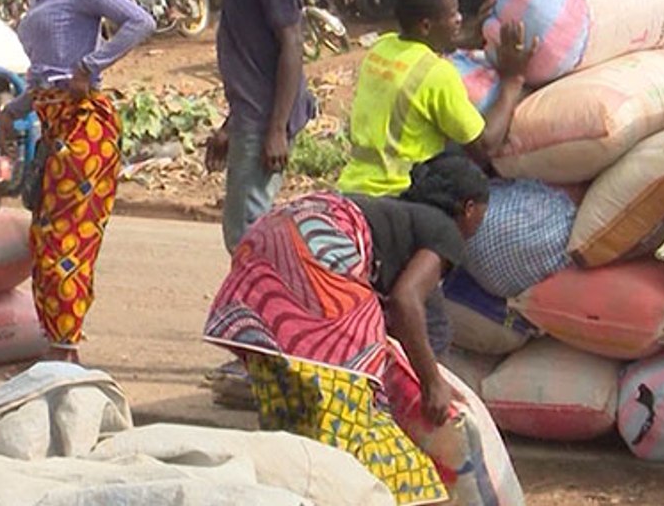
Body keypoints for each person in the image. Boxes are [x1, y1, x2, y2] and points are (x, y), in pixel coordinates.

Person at [204, 152, 489, 502]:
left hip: (269, 239)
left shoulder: (393, 214)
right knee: (355, 416)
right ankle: (406, 493)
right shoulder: (446, 230)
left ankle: (294, 489)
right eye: (482, 215)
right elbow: (406, 301)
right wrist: (432, 384)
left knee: (294, 413)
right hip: (319, 255)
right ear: (470, 208)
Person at [0, 0, 154, 363]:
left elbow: (141, 20)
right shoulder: (40, 1)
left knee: (67, 238)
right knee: (45, 235)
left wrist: (91, 63)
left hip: (86, 126)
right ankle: (56, 342)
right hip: (54, 125)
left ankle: (65, 348)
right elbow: (46, 77)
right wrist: (12, 112)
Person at [336, 0, 532, 197]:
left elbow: (423, 46)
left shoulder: (381, 47)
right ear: (426, 26)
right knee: (468, 180)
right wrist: (512, 80)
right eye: (452, 16)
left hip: (353, 185)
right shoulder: (436, 74)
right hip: (399, 192)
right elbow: (486, 147)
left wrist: (469, 37)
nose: (460, 19)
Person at [204, 0, 316, 254]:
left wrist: (276, 130)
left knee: (246, 238)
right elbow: (253, 62)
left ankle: (260, 312)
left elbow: (290, 46)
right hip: (250, 118)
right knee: (245, 232)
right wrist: (229, 125)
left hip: (264, 122)